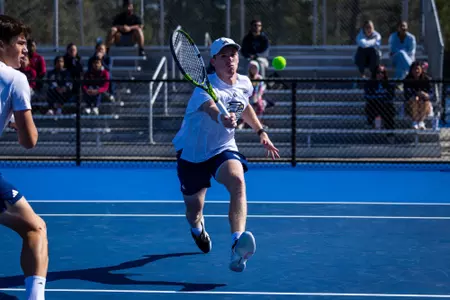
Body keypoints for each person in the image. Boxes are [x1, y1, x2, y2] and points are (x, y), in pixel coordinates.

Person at [172, 37, 280, 273]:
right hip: (193, 154)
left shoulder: (244, 82)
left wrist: (260, 131)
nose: (230, 59)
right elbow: (211, 108)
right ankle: (197, 229)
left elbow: (246, 105)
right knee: (194, 210)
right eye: (223, 56)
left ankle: (236, 244)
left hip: (222, 148)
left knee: (238, 180)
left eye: (233, 54)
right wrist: (221, 117)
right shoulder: (204, 87)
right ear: (213, 61)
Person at [0, 15, 47, 300]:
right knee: (35, 228)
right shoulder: (15, 79)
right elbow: (29, 141)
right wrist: (22, 121)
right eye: (19, 43)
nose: (26, 50)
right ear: (1, 44)